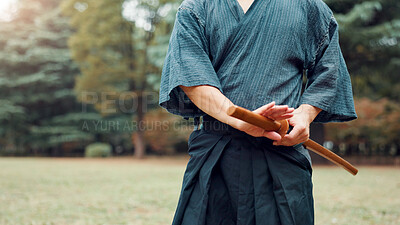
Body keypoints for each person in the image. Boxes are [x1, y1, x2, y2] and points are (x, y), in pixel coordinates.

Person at [159, 0, 357, 224]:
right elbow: (190, 75)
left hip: (281, 153)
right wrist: (237, 119)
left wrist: (305, 114)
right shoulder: (196, 7)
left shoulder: (308, 6)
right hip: (216, 153)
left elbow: (330, 70)